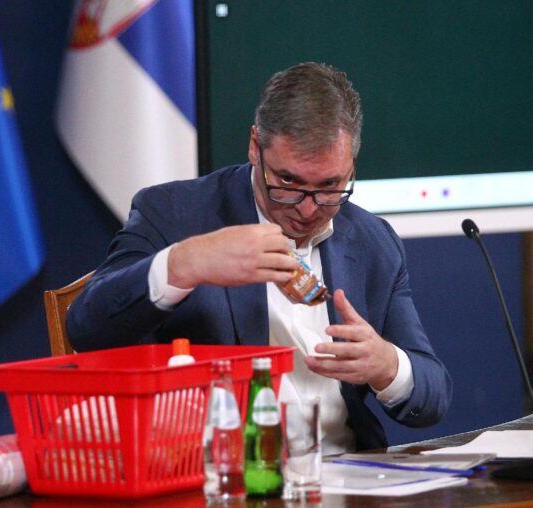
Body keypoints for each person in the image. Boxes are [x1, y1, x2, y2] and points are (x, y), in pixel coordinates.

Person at [67, 62, 452, 452]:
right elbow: (86, 328)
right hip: (226, 470)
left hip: (349, 468)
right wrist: (184, 263)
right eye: (288, 182)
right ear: (255, 146)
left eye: (330, 186)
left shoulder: (373, 241)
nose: (307, 209)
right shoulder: (175, 213)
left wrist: (387, 365)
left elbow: (433, 396)